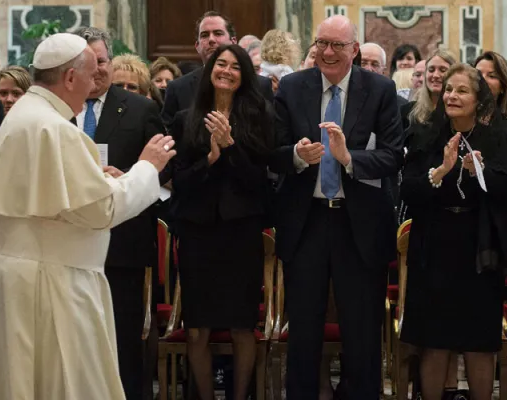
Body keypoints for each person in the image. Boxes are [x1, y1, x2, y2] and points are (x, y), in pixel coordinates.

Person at [0, 32, 175, 400]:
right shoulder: (57, 128)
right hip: (54, 282)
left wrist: (95, 179)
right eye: (91, 75)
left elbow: (59, 198)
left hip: (25, 273)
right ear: (70, 78)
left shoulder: (25, 115)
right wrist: (146, 168)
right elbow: (102, 211)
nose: (96, 84)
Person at [270, 15, 404, 399]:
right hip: (306, 222)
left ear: (355, 50)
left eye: (338, 46)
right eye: (322, 44)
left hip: (358, 223)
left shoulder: (379, 89)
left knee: (362, 330)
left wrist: (349, 159)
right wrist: (296, 155)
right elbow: (272, 152)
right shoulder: (293, 87)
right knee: (304, 331)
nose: (327, 52)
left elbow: (394, 156)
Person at [400, 63, 507, 400]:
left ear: (479, 99)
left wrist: (478, 172)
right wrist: (439, 172)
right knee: (435, 342)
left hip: (479, 247)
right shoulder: (426, 133)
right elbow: (408, 190)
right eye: (449, 90)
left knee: (479, 342)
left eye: (462, 90)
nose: (452, 95)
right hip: (435, 244)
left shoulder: (497, 136)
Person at [171, 44, 273, 400]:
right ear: (210, 70)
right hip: (198, 234)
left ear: (243, 75)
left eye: (234, 66)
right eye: (220, 64)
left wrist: (229, 147)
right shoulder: (186, 118)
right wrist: (211, 160)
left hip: (241, 234)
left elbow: (261, 182)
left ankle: (240, 395)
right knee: (197, 329)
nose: (226, 71)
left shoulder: (258, 114)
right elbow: (177, 181)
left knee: (242, 327)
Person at [74, 26, 168, 400]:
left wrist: (131, 176)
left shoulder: (141, 108)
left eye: (101, 61)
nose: (96, 69)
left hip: (123, 247)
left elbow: (167, 166)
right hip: (74, 245)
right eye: (88, 62)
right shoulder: (59, 111)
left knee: (123, 343)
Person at [161, 11, 273, 126]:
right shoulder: (178, 88)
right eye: (204, 35)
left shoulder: (261, 85)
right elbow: (169, 136)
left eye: (218, 33)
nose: (211, 40)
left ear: (233, 41)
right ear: (197, 46)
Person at [401, 50, 456, 131]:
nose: (436, 75)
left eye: (443, 70)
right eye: (431, 70)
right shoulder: (407, 112)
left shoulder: (458, 113)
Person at [474, 51, 507, 146]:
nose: (482, 79)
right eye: (478, 74)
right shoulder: (456, 122)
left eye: (491, 76)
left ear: (503, 87)